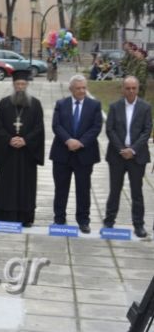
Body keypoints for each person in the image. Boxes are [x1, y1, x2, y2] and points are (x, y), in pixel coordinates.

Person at [50, 75, 102, 233]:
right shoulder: (61, 104)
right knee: (61, 188)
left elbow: (96, 127)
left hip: (85, 154)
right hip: (62, 153)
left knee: (83, 189)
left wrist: (80, 142)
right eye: (78, 88)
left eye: (84, 88)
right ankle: (59, 218)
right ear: (71, 89)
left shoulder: (94, 105)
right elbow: (56, 125)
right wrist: (68, 140)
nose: (82, 91)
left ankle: (83, 220)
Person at [0, 70, 45, 226]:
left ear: (27, 85)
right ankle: (4, 216)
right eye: (17, 84)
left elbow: (39, 128)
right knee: (6, 185)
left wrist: (25, 140)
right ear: (13, 85)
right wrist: (9, 139)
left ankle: (25, 217)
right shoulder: (4, 103)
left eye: (23, 84)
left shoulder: (36, 104)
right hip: (7, 153)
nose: (20, 87)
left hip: (27, 154)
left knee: (26, 185)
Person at [104, 77, 152, 237]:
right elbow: (110, 130)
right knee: (115, 190)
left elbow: (147, 131)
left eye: (134, 88)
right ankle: (109, 221)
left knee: (136, 192)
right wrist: (122, 149)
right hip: (117, 156)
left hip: (137, 157)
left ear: (138, 89)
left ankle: (139, 225)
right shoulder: (114, 107)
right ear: (122, 89)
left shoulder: (145, 107)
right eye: (128, 88)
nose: (131, 91)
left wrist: (133, 150)